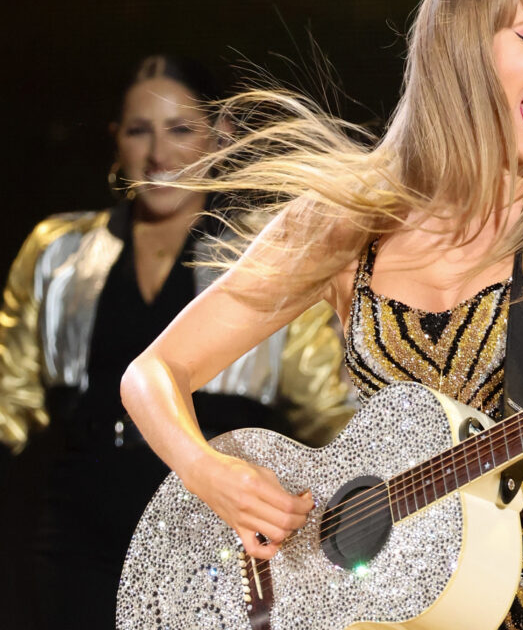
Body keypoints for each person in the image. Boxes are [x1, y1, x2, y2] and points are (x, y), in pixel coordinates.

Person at [120, 0, 523, 630]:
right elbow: (153, 372)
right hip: (402, 609)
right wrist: (212, 475)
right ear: (459, 51)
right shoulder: (348, 224)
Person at [0, 55, 353, 629]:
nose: (158, 153)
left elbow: (328, 412)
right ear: (117, 141)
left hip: (214, 522)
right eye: (140, 131)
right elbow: (9, 404)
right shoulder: (58, 253)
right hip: (76, 516)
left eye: (180, 129)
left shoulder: (265, 259)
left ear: (222, 134)